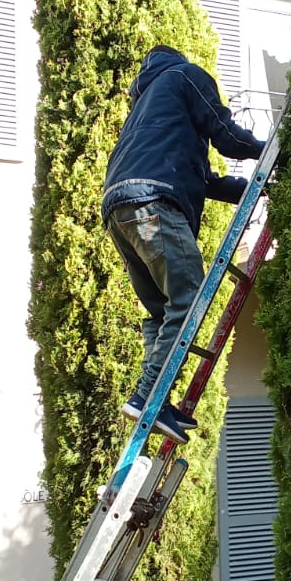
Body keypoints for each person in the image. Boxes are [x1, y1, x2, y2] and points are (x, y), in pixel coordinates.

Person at [102, 45, 265, 444]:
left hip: (120, 210)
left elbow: (205, 180)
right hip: (154, 203)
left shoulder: (144, 113)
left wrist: (254, 189)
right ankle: (147, 396)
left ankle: (155, 399)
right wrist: (270, 152)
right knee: (189, 297)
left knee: (162, 311)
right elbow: (226, 137)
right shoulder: (185, 76)